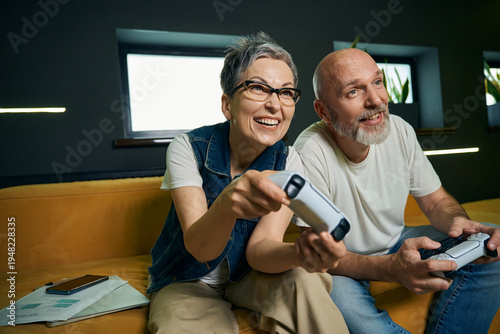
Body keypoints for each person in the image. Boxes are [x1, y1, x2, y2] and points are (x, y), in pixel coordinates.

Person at [146, 32, 348, 334]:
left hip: (248, 275)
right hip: (187, 280)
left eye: (286, 92)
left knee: (305, 280)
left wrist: (300, 252)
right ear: (227, 105)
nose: (274, 104)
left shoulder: (289, 160)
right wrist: (227, 205)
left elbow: (260, 250)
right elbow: (200, 249)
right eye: (257, 88)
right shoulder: (188, 147)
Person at [293, 47, 500, 334]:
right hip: (342, 262)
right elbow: (319, 250)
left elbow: (435, 201)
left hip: (396, 241)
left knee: (491, 244)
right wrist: (389, 267)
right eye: (354, 91)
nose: (376, 100)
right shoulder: (310, 151)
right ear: (324, 111)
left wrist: (459, 224)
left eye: (377, 82)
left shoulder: (400, 130)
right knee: (340, 303)